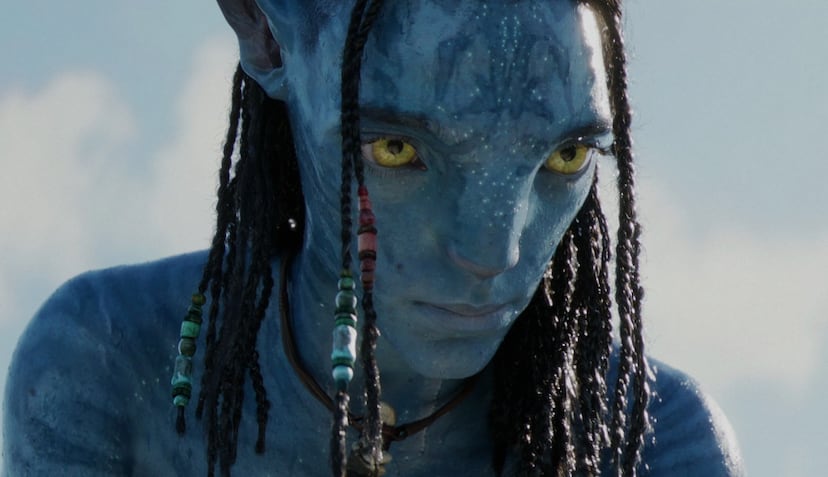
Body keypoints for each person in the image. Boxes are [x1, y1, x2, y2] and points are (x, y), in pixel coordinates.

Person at [2, 0, 744, 476]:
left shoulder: (655, 444)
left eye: (566, 156)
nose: (493, 255)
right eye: (398, 150)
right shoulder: (105, 360)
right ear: (265, 31)